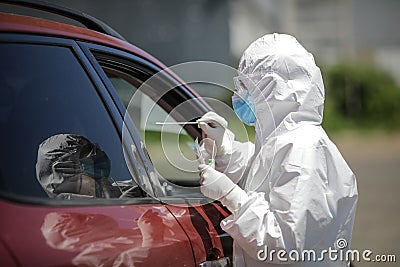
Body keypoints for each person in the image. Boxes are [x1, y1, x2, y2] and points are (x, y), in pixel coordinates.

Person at [197, 33, 358, 266]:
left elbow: (285, 244)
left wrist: (230, 195)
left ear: (272, 87)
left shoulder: (305, 149)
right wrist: (224, 148)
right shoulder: (283, 140)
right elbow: (261, 176)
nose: (238, 95)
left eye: (245, 86)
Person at [36, 134, 121, 199]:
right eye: (89, 164)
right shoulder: (70, 219)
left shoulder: (114, 193)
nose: (100, 177)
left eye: (94, 158)